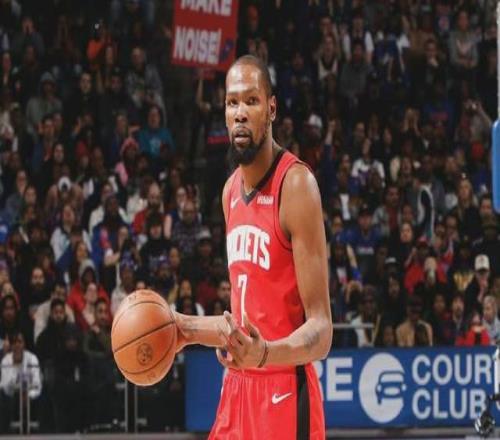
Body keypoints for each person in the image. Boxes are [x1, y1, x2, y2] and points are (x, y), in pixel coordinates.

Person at [173, 55, 332, 439]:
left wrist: (264, 354)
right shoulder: (230, 191)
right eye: (232, 103)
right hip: (237, 388)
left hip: (284, 391)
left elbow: (322, 329)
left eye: (251, 101)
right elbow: (244, 322)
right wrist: (183, 328)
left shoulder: (296, 186)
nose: (240, 113)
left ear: (271, 108)